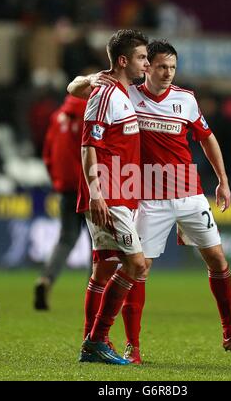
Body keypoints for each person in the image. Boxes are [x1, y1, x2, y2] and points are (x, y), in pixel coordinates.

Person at [68, 40, 231, 363]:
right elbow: (73, 89)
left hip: (190, 195)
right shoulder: (125, 94)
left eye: (172, 67)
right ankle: (133, 346)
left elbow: (207, 138)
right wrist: (89, 79)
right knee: (138, 269)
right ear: (146, 68)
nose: (167, 73)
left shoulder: (185, 100)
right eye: (159, 66)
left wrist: (223, 181)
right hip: (148, 198)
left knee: (218, 260)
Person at [74, 29, 149, 365]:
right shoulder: (105, 95)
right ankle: (97, 339)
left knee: (104, 267)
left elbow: (74, 86)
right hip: (109, 194)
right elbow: (89, 146)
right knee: (135, 264)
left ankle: (91, 343)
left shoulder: (117, 90)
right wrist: (96, 194)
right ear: (123, 60)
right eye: (141, 58)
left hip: (120, 192)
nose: (146, 65)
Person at [34, 94, 87, 310]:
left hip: (66, 189)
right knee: (100, 246)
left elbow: (47, 154)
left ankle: (45, 279)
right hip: (91, 189)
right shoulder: (92, 113)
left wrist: (57, 180)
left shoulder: (57, 116)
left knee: (66, 240)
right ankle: (95, 298)